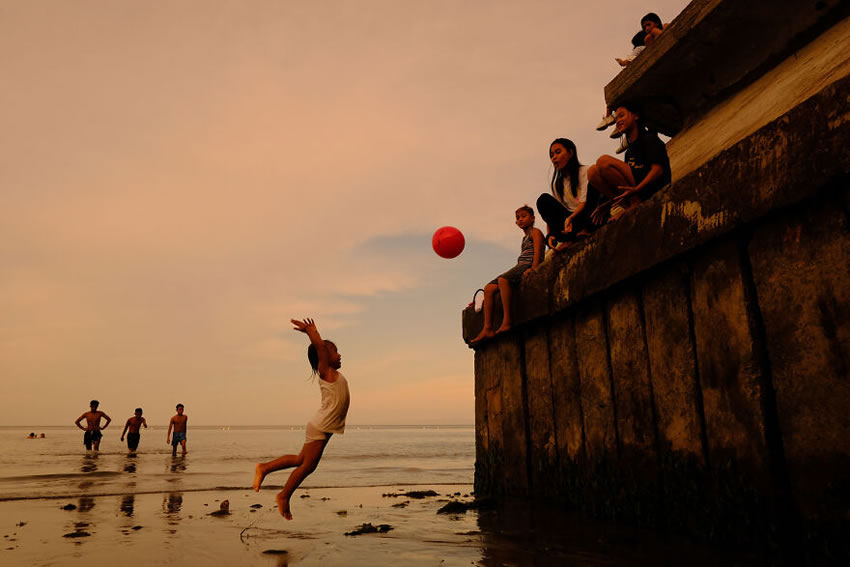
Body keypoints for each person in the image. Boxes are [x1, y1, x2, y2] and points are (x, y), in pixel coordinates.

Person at [253, 318, 351, 520]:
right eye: (335, 351)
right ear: (324, 357)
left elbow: (322, 351)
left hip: (321, 426)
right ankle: (284, 495)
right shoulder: (326, 372)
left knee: (300, 460)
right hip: (321, 426)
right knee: (307, 466)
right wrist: (312, 332)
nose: (339, 354)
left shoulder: (334, 374)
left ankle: (264, 468)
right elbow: (320, 350)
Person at [469, 206, 544, 345]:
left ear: (532, 218)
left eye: (523, 216)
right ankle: (488, 328)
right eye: (517, 218)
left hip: (526, 265)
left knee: (504, 280)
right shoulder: (524, 238)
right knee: (488, 288)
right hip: (519, 265)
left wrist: (534, 269)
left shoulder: (535, 232)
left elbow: (539, 251)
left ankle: (507, 321)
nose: (520, 220)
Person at [588, 102, 671, 222]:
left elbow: (658, 171)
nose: (618, 121)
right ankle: (627, 206)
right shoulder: (629, 152)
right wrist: (610, 203)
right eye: (616, 119)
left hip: (652, 187)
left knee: (603, 161)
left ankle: (635, 202)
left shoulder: (649, 139)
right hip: (636, 190)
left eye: (621, 116)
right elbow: (623, 178)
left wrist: (637, 189)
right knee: (592, 172)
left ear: (636, 116)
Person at [536, 139, 600, 253]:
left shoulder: (586, 171)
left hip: (589, 216)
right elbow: (553, 216)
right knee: (543, 200)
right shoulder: (557, 185)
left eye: (558, 152)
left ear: (570, 153)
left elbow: (584, 203)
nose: (554, 157)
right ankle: (569, 238)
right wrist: (550, 234)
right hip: (571, 224)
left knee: (593, 187)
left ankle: (583, 231)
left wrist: (570, 218)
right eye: (551, 155)